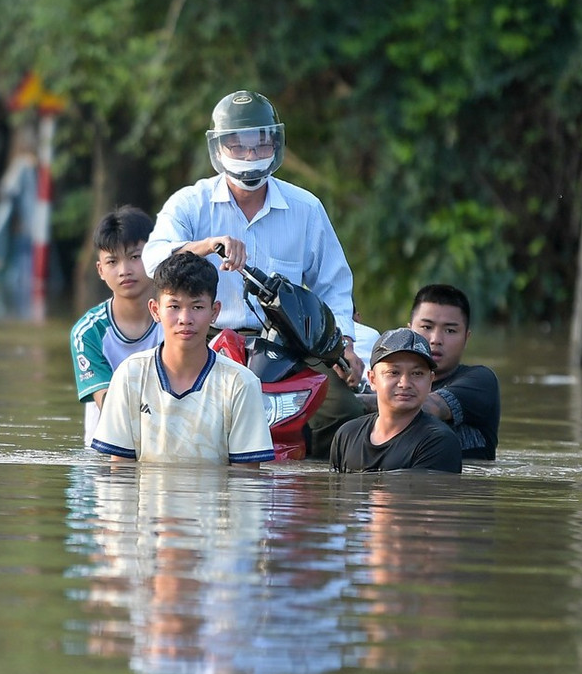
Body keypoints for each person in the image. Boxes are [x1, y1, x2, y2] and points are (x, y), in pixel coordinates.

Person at [142, 90, 365, 459]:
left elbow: (334, 286)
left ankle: (306, 488)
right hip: (207, 336)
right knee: (174, 414)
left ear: (275, 144)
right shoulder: (190, 203)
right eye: (238, 144)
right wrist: (208, 245)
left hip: (290, 342)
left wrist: (345, 346)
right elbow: (154, 257)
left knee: (344, 412)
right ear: (218, 148)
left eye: (259, 144)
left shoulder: (305, 208)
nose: (250, 154)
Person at [91, 251, 275, 466]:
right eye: (174, 307)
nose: (185, 319)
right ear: (155, 310)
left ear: (214, 312)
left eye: (197, 307)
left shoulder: (240, 383)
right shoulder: (130, 375)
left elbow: (246, 482)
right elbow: (120, 475)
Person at [70, 206, 163, 447]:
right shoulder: (88, 332)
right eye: (112, 261)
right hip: (105, 460)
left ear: (156, 255)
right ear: (100, 270)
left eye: (135, 257)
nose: (124, 271)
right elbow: (111, 408)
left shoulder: (177, 321)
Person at [330, 328, 463, 473]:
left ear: (430, 381)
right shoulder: (347, 434)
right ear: (372, 379)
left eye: (417, 373)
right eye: (393, 373)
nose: (405, 383)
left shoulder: (439, 442)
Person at [405, 284, 500, 459]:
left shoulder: (481, 381)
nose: (436, 340)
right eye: (426, 327)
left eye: (450, 330)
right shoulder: (385, 379)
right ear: (409, 331)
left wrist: (353, 403)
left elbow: (432, 407)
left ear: (466, 338)